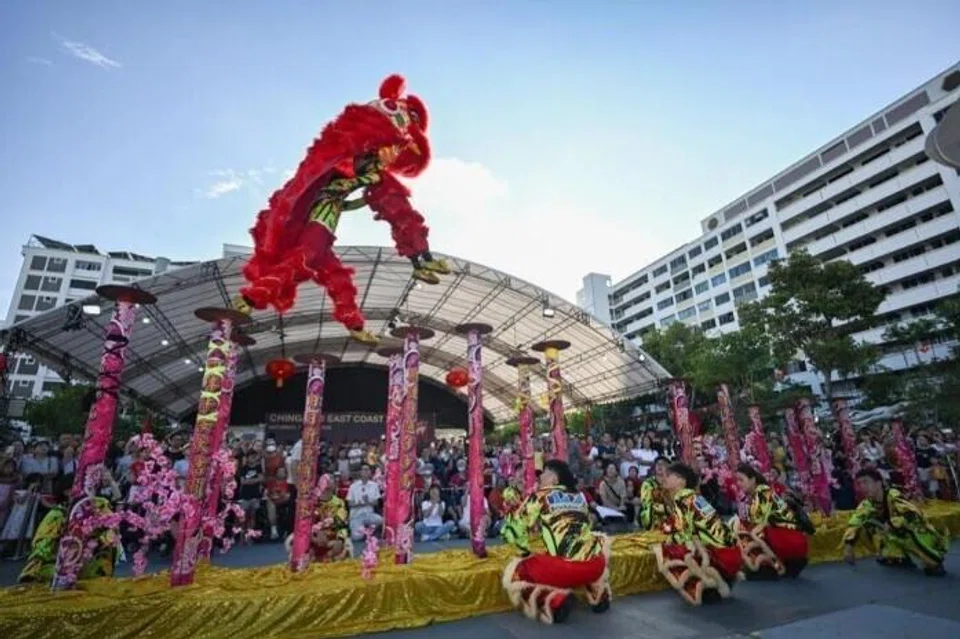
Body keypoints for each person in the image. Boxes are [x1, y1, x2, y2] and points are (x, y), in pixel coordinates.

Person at [500, 459, 612, 624]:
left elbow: (515, 530)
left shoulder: (540, 496)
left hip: (567, 568)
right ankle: (599, 593)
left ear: (555, 479)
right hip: (596, 564)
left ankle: (555, 601)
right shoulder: (579, 496)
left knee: (517, 572)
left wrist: (524, 552)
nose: (540, 477)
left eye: (545, 472)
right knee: (585, 549)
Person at [654, 462, 742, 606]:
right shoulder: (696, 497)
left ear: (681, 481)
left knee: (669, 547)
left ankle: (706, 583)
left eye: (669, 475)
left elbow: (684, 532)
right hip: (733, 552)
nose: (665, 478)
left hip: (719, 555)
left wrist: (670, 536)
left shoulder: (681, 497)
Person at [843, 468, 948, 577]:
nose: (862, 487)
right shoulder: (867, 504)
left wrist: (892, 523)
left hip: (917, 532)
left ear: (879, 483)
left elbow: (912, 514)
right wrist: (848, 546)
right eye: (860, 484)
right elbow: (855, 522)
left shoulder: (894, 494)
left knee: (906, 530)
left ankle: (932, 559)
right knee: (869, 525)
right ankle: (897, 555)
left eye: (865, 482)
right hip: (894, 533)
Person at [734, 463, 809, 580]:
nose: (738, 484)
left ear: (753, 480)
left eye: (741, 480)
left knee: (747, 531)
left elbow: (755, 521)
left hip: (790, 539)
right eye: (737, 480)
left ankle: (776, 565)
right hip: (786, 536)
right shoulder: (758, 493)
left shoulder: (762, 493)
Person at [303, 474, 351, 562]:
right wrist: (314, 536)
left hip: (332, 536)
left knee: (341, 550)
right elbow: (305, 524)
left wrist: (340, 539)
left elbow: (342, 524)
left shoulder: (339, 503)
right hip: (314, 537)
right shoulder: (311, 503)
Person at [346, 464, 383, 541]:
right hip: (356, 516)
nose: (366, 472)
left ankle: (368, 530)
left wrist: (368, 501)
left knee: (380, 520)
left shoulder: (374, 485)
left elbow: (376, 502)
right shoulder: (353, 486)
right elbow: (349, 504)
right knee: (357, 537)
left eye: (368, 470)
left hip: (369, 515)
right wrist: (359, 504)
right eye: (364, 470)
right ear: (360, 472)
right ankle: (363, 530)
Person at [638, 457, 671, 531]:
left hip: (670, 516)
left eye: (663, 464)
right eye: (658, 464)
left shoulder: (671, 483)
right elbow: (647, 503)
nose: (660, 466)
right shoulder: (648, 483)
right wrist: (666, 508)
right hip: (654, 517)